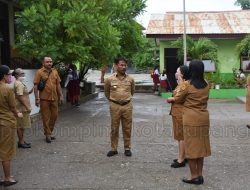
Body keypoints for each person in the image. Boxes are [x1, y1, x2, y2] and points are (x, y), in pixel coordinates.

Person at [167, 60, 211, 185]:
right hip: (203, 117)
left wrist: (171, 99)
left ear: (191, 70)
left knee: (191, 148)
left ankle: (193, 176)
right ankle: (200, 175)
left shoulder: (187, 85)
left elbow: (178, 99)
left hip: (191, 118)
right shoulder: (207, 84)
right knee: (200, 148)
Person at [104, 57, 135, 157]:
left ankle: (127, 148)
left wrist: (125, 99)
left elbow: (132, 92)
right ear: (116, 65)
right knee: (114, 128)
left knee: (127, 128)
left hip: (127, 106)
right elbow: (106, 92)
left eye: (125, 65)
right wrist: (114, 101)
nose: (124, 67)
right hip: (115, 106)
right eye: (121, 65)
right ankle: (114, 149)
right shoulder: (109, 79)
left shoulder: (130, 79)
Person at [0, 65, 23, 187]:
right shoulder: (7, 89)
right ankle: (7, 178)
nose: (11, 76)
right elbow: (13, 107)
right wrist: (18, 113)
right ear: (4, 76)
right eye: (9, 74)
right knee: (6, 153)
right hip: (5, 123)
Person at [33, 56, 63, 143]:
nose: (49, 63)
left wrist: (61, 95)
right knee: (45, 117)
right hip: (44, 98)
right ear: (43, 63)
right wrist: (36, 98)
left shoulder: (55, 71)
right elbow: (35, 86)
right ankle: (48, 134)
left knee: (55, 116)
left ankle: (49, 131)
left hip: (54, 98)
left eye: (50, 61)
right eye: (47, 62)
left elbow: (58, 85)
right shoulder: (39, 72)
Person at [168, 65, 190, 168]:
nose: (176, 73)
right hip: (177, 113)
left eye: (178, 72)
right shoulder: (181, 84)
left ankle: (181, 160)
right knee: (179, 136)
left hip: (180, 114)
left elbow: (177, 98)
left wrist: (170, 99)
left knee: (181, 137)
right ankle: (183, 156)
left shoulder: (184, 84)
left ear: (182, 73)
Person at [12, 68, 33, 149]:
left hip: (22, 108)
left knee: (22, 126)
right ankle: (21, 142)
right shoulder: (19, 84)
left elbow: (24, 94)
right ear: (17, 75)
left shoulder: (19, 83)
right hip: (21, 109)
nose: (24, 74)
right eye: (22, 73)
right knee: (20, 126)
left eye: (24, 73)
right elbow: (20, 96)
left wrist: (33, 89)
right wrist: (27, 107)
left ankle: (22, 141)